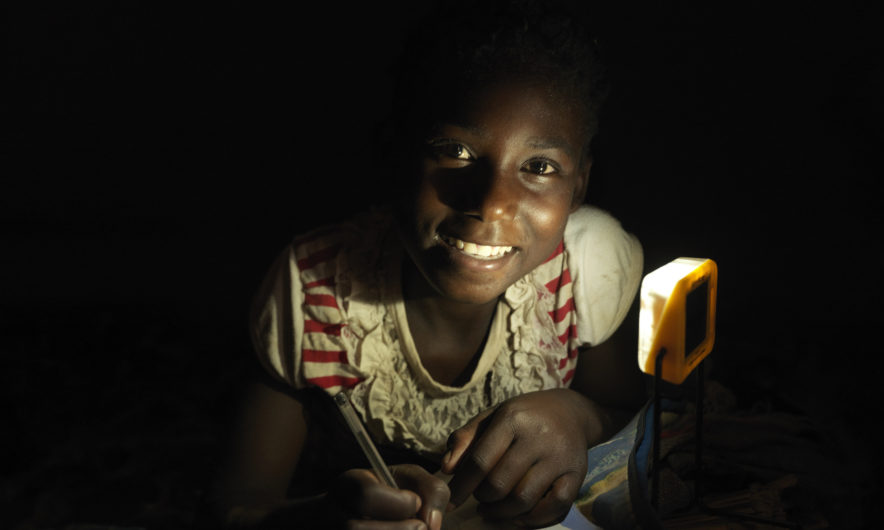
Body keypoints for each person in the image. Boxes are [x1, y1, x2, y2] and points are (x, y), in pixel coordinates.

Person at [210, 1, 646, 528]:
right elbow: (238, 507)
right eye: (456, 150)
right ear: (394, 154)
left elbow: (638, 419)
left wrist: (579, 415)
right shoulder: (316, 292)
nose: (490, 204)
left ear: (578, 186)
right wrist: (321, 520)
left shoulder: (587, 269)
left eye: (539, 166)